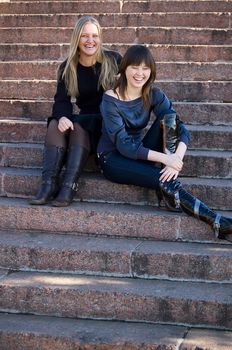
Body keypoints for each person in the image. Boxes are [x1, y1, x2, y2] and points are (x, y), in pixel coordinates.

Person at [97, 44, 232, 240]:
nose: (139, 73)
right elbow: (123, 144)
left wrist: (176, 158)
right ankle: (216, 221)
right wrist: (165, 160)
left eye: (145, 68)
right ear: (124, 68)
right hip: (113, 159)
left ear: (151, 71)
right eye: (134, 67)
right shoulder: (110, 99)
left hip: (140, 153)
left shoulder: (153, 93)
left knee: (170, 119)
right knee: (164, 179)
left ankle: (170, 193)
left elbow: (180, 127)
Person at [30, 16, 121, 207]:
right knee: (56, 123)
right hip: (85, 119)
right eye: (84, 36)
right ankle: (48, 184)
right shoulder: (68, 67)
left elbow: (133, 89)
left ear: (100, 38)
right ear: (77, 39)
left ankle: (69, 185)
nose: (90, 41)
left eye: (94, 36)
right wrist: (63, 116)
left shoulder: (113, 60)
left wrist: (121, 84)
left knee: (79, 125)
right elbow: (61, 100)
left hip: (107, 121)